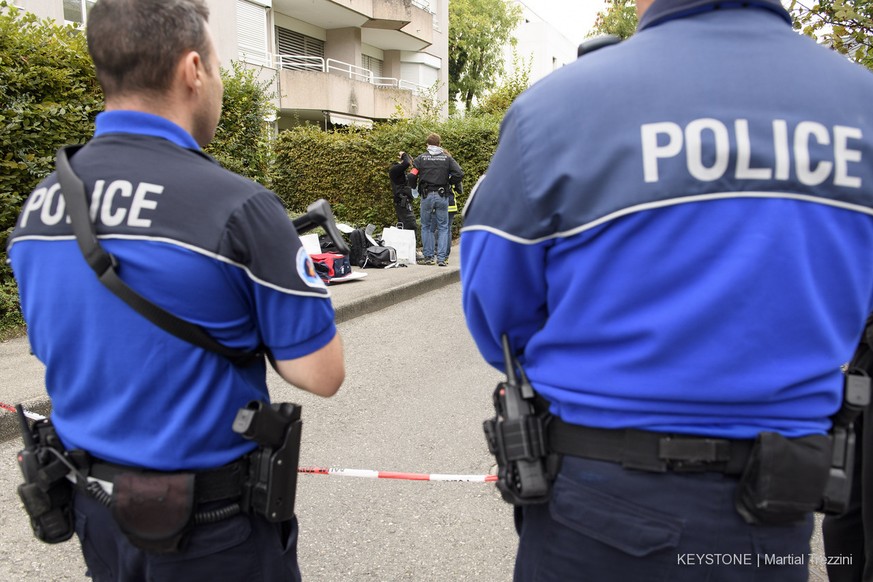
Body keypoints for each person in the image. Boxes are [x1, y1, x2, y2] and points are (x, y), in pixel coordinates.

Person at [460, 0, 873, 580]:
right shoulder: (862, 104)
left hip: (601, 503)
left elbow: (497, 319)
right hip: (780, 504)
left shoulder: (557, 109)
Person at [6, 0, 344, 580]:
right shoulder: (239, 207)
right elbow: (321, 372)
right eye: (214, 65)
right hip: (210, 530)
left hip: (96, 511)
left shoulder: (40, 206)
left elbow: (57, 341)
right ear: (192, 69)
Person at [407, 133, 463, 266]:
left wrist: (415, 187)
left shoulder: (421, 159)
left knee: (426, 227)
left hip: (426, 196)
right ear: (439, 144)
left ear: (427, 144)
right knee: (443, 227)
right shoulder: (446, 159)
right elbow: (459, 173)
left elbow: (411, 176)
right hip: (442, 194)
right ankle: (442, 259)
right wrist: (449, 181)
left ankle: (429, 257)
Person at [388, 151, 422, 254]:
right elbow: (407, 163)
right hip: (402, 202)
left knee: (405, 226)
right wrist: (404, 154)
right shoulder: (395, 170)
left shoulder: (400, 173)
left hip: (404, 202)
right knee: (411, 225)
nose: (410, 163)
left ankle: (407, 251)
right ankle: (412, 251)